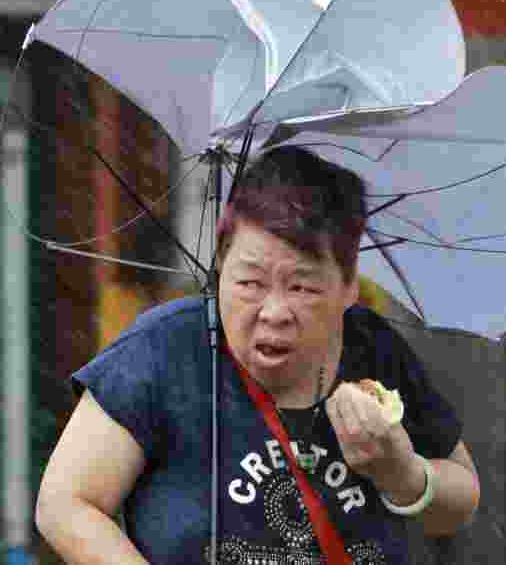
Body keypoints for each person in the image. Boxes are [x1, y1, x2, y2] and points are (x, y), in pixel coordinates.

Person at [36, 145, 480, 564]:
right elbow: (66, 503)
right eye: (250, 283)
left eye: (302, 287)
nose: (274, 312)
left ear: (349, 288)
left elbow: (461, 503)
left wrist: (401, 472)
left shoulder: (375, 351)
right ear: (220, 271)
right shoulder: (166, 349)